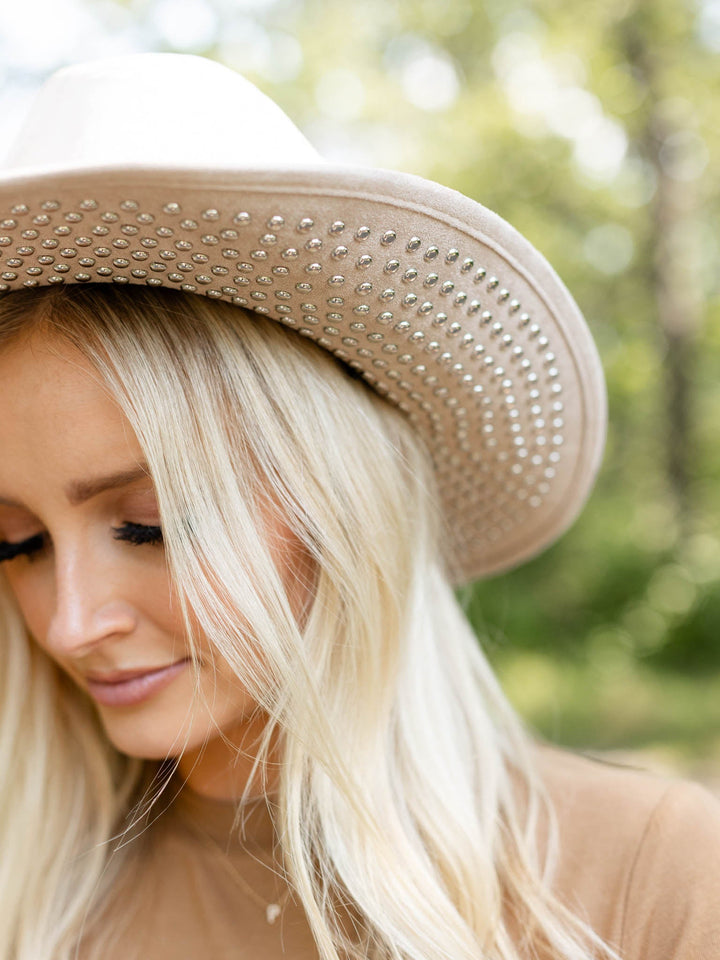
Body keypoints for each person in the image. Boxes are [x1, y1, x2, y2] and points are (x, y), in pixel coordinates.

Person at [0, 54, 718, 960]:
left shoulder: (649, 878)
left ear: (337, 500)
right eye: (17, 544)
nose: (70, 623)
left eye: (149, 523)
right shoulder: (31, 900)